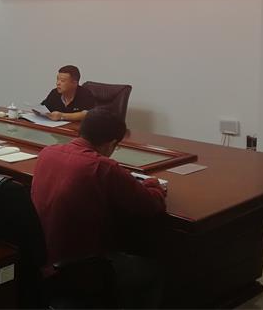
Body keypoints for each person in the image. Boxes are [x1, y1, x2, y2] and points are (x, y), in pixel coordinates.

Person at [31, 108, 166, 308]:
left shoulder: (47, 153)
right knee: (154, 270)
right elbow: (150, 205)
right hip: (81, 269)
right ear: (111, 143)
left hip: (40, 260)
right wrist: (153, 185)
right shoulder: (103, 166)